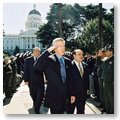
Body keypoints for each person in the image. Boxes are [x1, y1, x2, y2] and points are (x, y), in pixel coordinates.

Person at [34, 38, 75, 114]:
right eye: (59, 46)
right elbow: (37, 66)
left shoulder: (68, 61)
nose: (62, 48)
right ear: (54, 48)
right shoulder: (49, 60)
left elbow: (70, 79)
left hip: (66, 96)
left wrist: (72, 94)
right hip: (54, 96)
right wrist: (48, 51)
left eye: (63, 46)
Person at [23, 47, 56, 114]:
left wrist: (47, 79)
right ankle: (35, 103)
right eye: (36, 51)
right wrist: (26, 80)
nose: (38, 52)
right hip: (31, 81)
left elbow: (46, 70)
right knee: (33, 94)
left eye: (39, 51)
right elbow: (26, 70)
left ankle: (37, 108)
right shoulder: (28, 60)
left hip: (40, 81)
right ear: (33, 52)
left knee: (40, 95)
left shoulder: (43, 60)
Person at [67, 49, 89, 114]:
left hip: (83, 95)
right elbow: (68, 82)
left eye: (82, 54)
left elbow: (86, 80)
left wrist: (87, 91)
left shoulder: (85, 65)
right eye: (79, 54)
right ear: (74, 55)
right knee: (70, 112)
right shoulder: (69, 66)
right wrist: (71, 94)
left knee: (81, 111)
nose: (82, 56)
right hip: (72, 95)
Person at [101, 44, 114, 114]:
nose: (105, 52)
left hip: (111, 83)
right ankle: (108, 112)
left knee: (112, 100)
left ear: (111, 51)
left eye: (107, 51)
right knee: (107, 99)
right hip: (105, 82)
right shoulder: (106, 60)